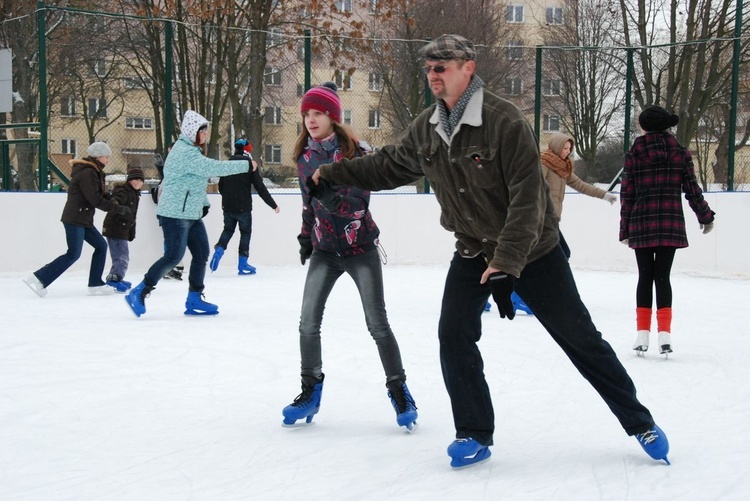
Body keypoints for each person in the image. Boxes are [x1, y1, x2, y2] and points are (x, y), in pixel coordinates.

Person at [309, 35, 669, 468]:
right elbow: (388, 165)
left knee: (581, 340)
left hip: (533, 250)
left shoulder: (504, 121)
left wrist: (507, 263)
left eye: (442, 66)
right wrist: (333, 172)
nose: (433, 75)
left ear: (468, 68)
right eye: (428, 68)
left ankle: (640, 422)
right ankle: (474, 433)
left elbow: (528, 199)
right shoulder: (427, 126)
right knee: (454, 335)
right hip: (471, 249)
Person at [281, 82, 418, 432]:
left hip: (360, 249)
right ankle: (310, 391)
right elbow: (307, 202)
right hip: (325, 251)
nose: (311, 120)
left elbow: (358, 207)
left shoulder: (357, 154)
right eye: (307, 114)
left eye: (318, 113)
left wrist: (328, 198)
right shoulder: (305, 157)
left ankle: (399, 390)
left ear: (333, 117)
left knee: (377, 324)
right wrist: (304, 234)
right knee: (307, 322)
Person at [124, 110, 251, 317]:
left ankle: (194, 298)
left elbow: (194, 181)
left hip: (190, 213)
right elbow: (212, 168)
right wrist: (245, 165)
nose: (206, 135)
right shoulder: (184, 151)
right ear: (193, 131)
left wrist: (203, 202)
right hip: (175, 213)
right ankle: (139, 292)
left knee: (201, 254)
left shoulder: (192, 151)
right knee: (173, 256)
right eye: (203, 131)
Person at [619, 105, 715, 356]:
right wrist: (704, 216)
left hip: (641, 222)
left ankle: (642, 334)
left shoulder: (634, 153)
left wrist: (625, 227)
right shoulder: (680, 152)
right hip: (670, 222)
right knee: (662, 277)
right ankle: (665, 336)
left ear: (644, 126)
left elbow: (627, 193)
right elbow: (692, 189)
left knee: (644, 277)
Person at [23, 142, 130, 297]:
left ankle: (95, 283)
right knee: (73, 254)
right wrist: (117, 209)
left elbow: (99, 194)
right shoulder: (87, 172)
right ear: (98, 156)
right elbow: (94, 199)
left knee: (100, 246)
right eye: (106, 157)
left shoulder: (94, 171)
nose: (108, 161)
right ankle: (38, 278)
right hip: (75, 219)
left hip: (84, 219)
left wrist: (113, 200)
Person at [209, 138, 280, 275]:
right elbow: (260, 187)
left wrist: (227, 199)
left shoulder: (228, 163)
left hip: (228, 206)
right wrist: (273, 204)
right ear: (247, 151)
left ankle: (219, 250)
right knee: (245, 233)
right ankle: (242, 264)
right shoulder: (249, 165)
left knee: (228, 230)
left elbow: (221, 186)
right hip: (244, 207)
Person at [542, 132, 618, 259]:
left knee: (561, 254)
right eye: (564, 148)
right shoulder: (543, 164)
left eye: (569, 148)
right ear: (556, 147)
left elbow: (581, 185)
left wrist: (604, 195)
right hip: (543, 219)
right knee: (561, 254)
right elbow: (534, 186)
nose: (568, 151)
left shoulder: (562, 168)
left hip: (553, 220)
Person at [102, 168, 145, 292]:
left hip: (121, 229)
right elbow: (116, 201)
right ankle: (114, 279)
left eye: (140, 180)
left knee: (122, 256)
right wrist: (117, 204)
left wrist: (131, 232)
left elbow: (132, 217)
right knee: (121, 256)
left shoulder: (135, 194)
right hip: (115, 228)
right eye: (134, 180)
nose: (137, 182)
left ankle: (118, 277)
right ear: (129, 181)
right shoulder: (124, 191)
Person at [152, 144, 185, 281]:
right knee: (171, 238)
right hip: (167, 209)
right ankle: (172, 265)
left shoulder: (181, 167)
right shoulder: (170, 171)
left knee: (175, 238)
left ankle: (173, 264)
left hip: (175, 209)